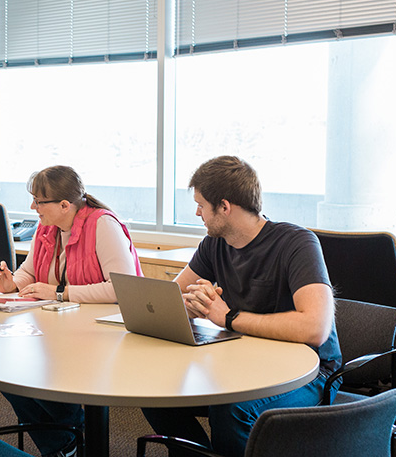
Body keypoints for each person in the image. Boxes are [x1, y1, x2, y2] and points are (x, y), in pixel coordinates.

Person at [141, 156, 341, 457]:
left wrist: (229, 317)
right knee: (156, 393)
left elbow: (315, 328)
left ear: (224, 206)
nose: (197, 213)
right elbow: (169, 298)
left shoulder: (297, 243)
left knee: (231, 409)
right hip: (243, 362)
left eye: (201, 205)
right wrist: (190, 305)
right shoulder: (214, 244)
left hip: (310, 372)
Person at [0, 165, 143, 457]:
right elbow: (31, 271)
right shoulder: (47, 227)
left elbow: (124, 289)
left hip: (102, 335)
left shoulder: (102, 225)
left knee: (42, 379)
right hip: (58, 331)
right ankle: (66, 444)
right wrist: (11, 284)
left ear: (64, 204)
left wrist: (61, 293)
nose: (32, 206)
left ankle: (68, 441)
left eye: (38, 201)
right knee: (8, 376)